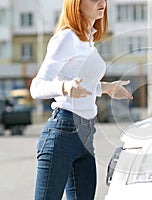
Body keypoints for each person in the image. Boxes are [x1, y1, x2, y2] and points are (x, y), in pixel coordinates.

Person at [30, 0, 132, 199]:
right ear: (76, 4)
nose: (102, 2)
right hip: (62, 134)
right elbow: (36, 86)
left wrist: (108, 88)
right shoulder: (66, 37)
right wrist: (64, 87)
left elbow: (81, 87)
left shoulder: (87, 40)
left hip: (86, 136)